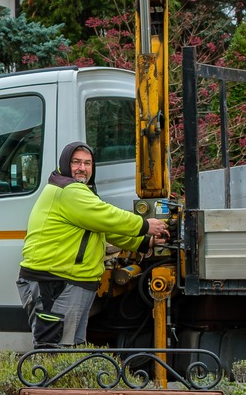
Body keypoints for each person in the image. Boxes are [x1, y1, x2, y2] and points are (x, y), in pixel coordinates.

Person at [16, 142, 168, 348]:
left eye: (88, 163)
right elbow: (107, 216)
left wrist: (144, 242)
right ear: (64, 164)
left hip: (69, 283)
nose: (82, 168)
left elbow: (104, 229)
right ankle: (51, 382)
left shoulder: (78, 192)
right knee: (54, 352)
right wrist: (144, 225)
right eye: (76, 162)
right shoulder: (67, 190)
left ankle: (66, 381)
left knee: (71, 352)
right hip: (54, 283)